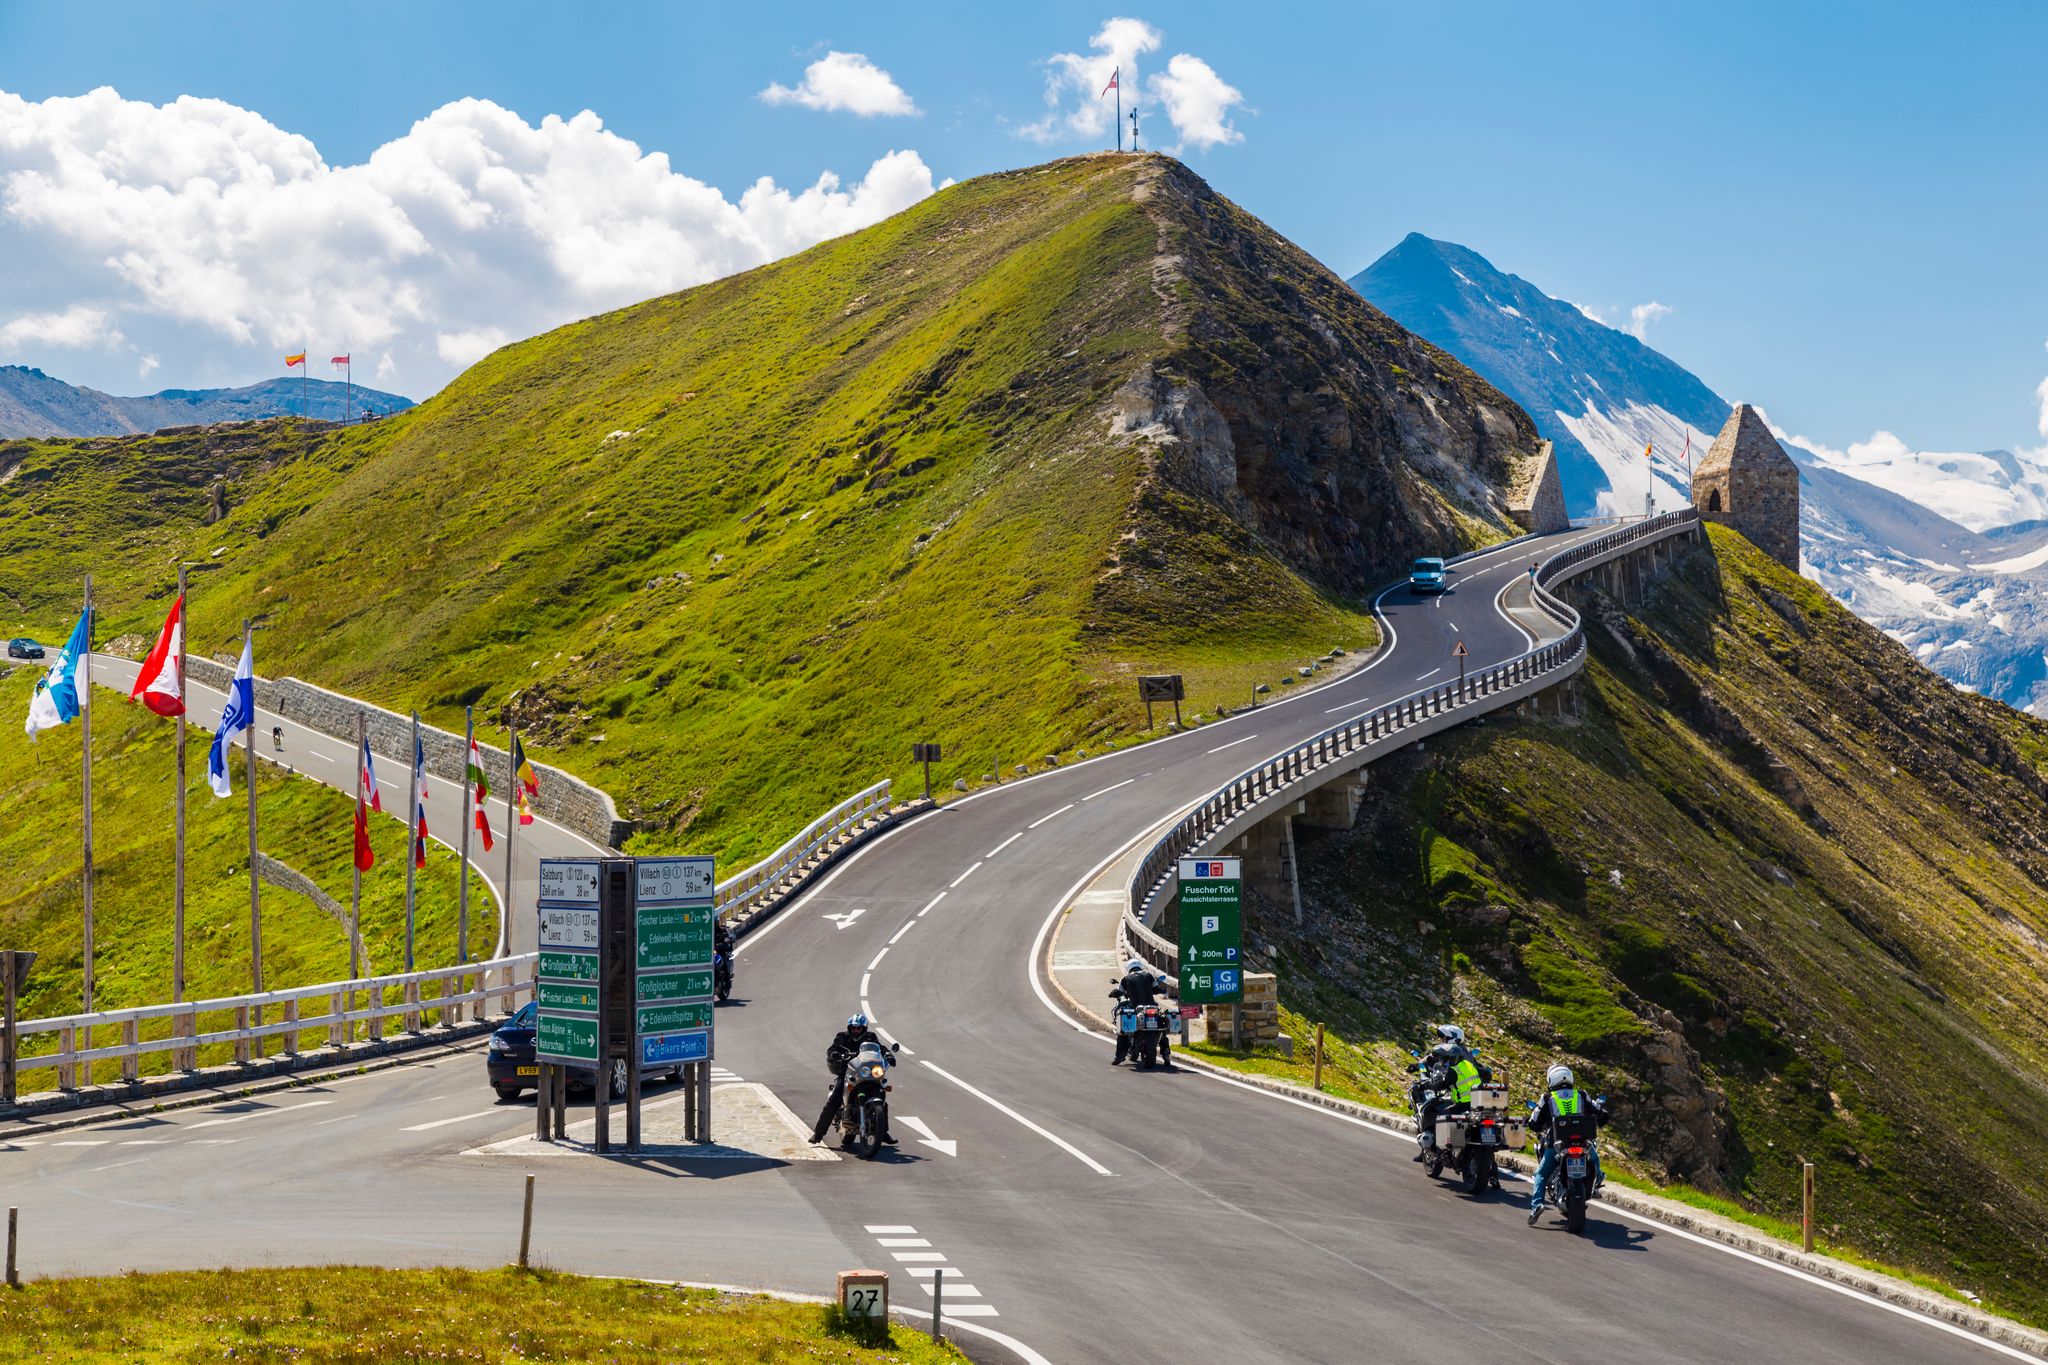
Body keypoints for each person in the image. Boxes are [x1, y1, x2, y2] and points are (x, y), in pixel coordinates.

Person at [1527, 1063, 1608, 1223]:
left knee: (1541, 1174)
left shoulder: (1547, 1098)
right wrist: (1603, 1116)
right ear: (1569, 1078)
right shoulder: (1582, 1095)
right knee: (1595, 1159)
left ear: (1551, 1080)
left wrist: (1530, 1123)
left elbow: (1535, 1122)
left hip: (1557, 1145)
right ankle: (1596, 1184)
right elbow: (1599, 1112)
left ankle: (1537, 1205)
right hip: (1583, 1142)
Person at [809, 1014, 896, 1145]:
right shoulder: (842, 1037)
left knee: (882, 1095)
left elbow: (880, 1048)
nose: (856, 1031)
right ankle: (818, 1133)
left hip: (867, 1072)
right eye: (853, 1028)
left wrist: (888, 1054)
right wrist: (834, 1053)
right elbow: (832, 1048)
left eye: (858, 1028)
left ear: (864, 1028)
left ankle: (882, 1132)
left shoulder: (870, 1037)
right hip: (848, 1073)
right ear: (849, 1028)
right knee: (834, 1100)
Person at [1406, 1024, 1489, 1161]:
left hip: (1457, 1097)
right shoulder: (1467, 1056)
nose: (1441, 1040)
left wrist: (1427, 1081)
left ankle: (1441, 1149)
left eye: (1444, 1038)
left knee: (1437, 1116)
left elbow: (1433, 1064)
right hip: (1475, 1099)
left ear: (1452, 1039)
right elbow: (1483, 1072)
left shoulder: (1452, 1057)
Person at [1109, 958, 1174, 1068]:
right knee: (1162, 1027)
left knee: (1124, 1028)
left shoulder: (1125, 979)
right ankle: (1166, 1053)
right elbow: (1156, 989)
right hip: (1151, 1006)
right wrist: (1161, 990)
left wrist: (1113, 993)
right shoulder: (1148, 975)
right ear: (1140, 966)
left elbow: (1119, 991)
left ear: (1128, 968)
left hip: (1136, 1008)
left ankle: (1120, 1056)